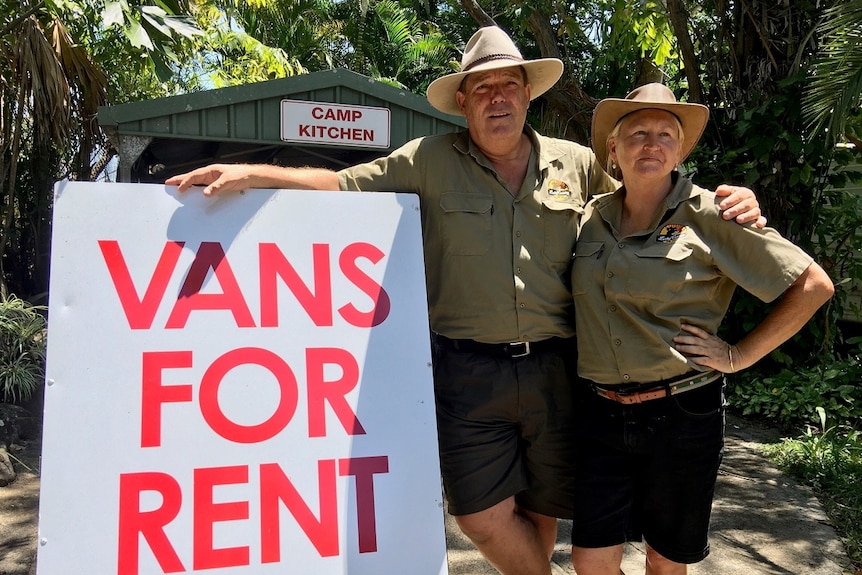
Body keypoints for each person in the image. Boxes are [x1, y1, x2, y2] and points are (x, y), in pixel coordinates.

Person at [167, 28, 764, 575]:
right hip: (467, 370)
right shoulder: (427, 161)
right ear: (463, 101)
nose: (497, 97)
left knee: (543, 505)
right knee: (478, 515)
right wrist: (253, 173)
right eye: (483, 88)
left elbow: (648, 193)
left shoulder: (576, 163)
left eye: (509, 84)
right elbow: (344, 183)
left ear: (528, 94)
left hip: (561, 367)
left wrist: (731, 204)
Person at [568, 83, 834, 575]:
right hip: (599, 414)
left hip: (682, 412)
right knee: (590, 560)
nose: (652, 144)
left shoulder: (714, 213)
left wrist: (739, 356)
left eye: (666, 134)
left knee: (666, 561)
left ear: (681, 149)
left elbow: (813, 286)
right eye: (638, 132)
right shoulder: (589, 217)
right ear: (613, 146)